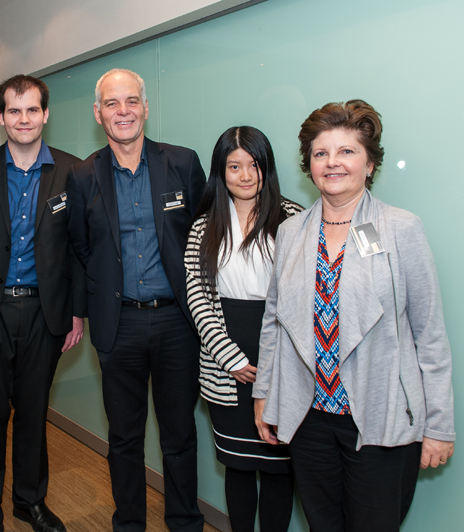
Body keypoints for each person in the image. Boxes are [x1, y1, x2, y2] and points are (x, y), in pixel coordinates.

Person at [253, 100, 455, 532]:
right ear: (309, 165)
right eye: (321, 153)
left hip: (380, 417)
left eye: (346, 151)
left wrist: (439, 425)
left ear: (369, 163)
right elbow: (274, 322)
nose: (332, 163)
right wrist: (265, 393)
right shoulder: (291, 232)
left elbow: (429, 334)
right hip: (309, 420)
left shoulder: (401, 229)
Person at [67, 68, 206, 531]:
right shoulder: (84, 175)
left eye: (131, 102)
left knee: (179, 435)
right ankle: (129, 523)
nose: (122, 111)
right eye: (112, 103)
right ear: (98, 112)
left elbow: (205, 237)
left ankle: (184, 521)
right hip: (118, 324)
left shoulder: (183, 163)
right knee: (124, 437)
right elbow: (82, 249)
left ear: (145, 108)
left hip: (177, 323)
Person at [0, 75, 85, 532]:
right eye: (14, 111)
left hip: (44, 313)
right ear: (1, 117)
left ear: (46, 114)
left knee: (33, 413)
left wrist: (77, 310)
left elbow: (78, 248)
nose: (24, 119)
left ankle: (29, 502)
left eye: (32, 110)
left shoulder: (72, 170)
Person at [184, 126, 301, 532]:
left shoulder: (293, 219)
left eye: (254, 165)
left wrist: (270, 362)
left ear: (266, 168)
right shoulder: (204, 226)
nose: (245, 175)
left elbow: (303, 300)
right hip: (224, 359)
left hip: (282, 355)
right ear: (221, 171)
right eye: (235, 166)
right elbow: (198, 297)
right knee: (237, 464)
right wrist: (230, 357)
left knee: (277, 467)